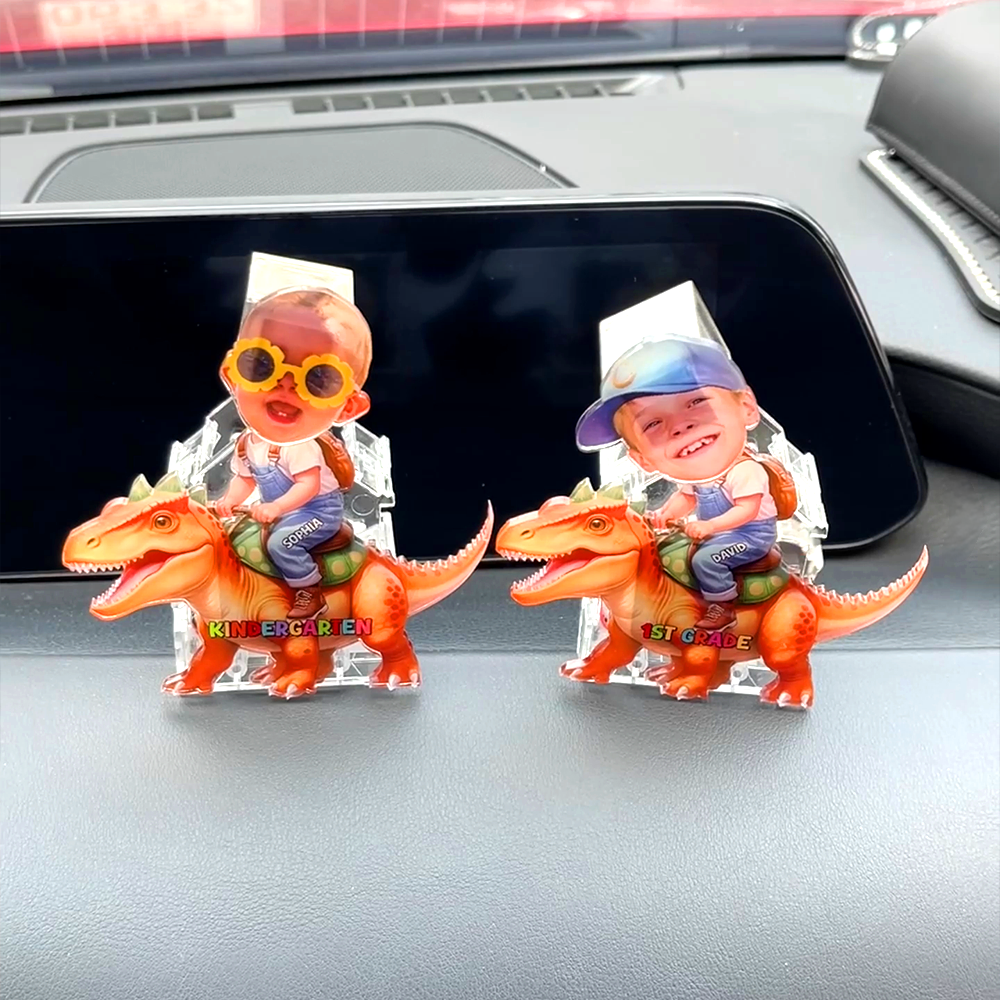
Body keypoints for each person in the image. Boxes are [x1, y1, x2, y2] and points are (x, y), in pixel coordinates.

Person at [576, 337, 781, 632]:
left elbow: (747, 511)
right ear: (641, 460)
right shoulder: (699, 479)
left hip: (751, 533)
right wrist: (665, 515)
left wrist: (710, 526)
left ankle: (723, 608)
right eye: (652, 424)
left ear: (746, 407)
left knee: (706, 560)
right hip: (716, 533)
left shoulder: (745, 470)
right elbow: (687, 498)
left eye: (696, 402)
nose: (679, 426)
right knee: (671, 554)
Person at [215, 287, 373, 619]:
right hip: (282, 512)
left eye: (319, 378)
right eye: (262, 365)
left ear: (348, 407)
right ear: (231, 374)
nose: (286, 384)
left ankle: (309, 593)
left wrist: (275, 507)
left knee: (281, 544)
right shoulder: (246, 443)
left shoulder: (301, 447)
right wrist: (228, 501)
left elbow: (308, 486)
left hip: (317, 511)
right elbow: (245, 479)